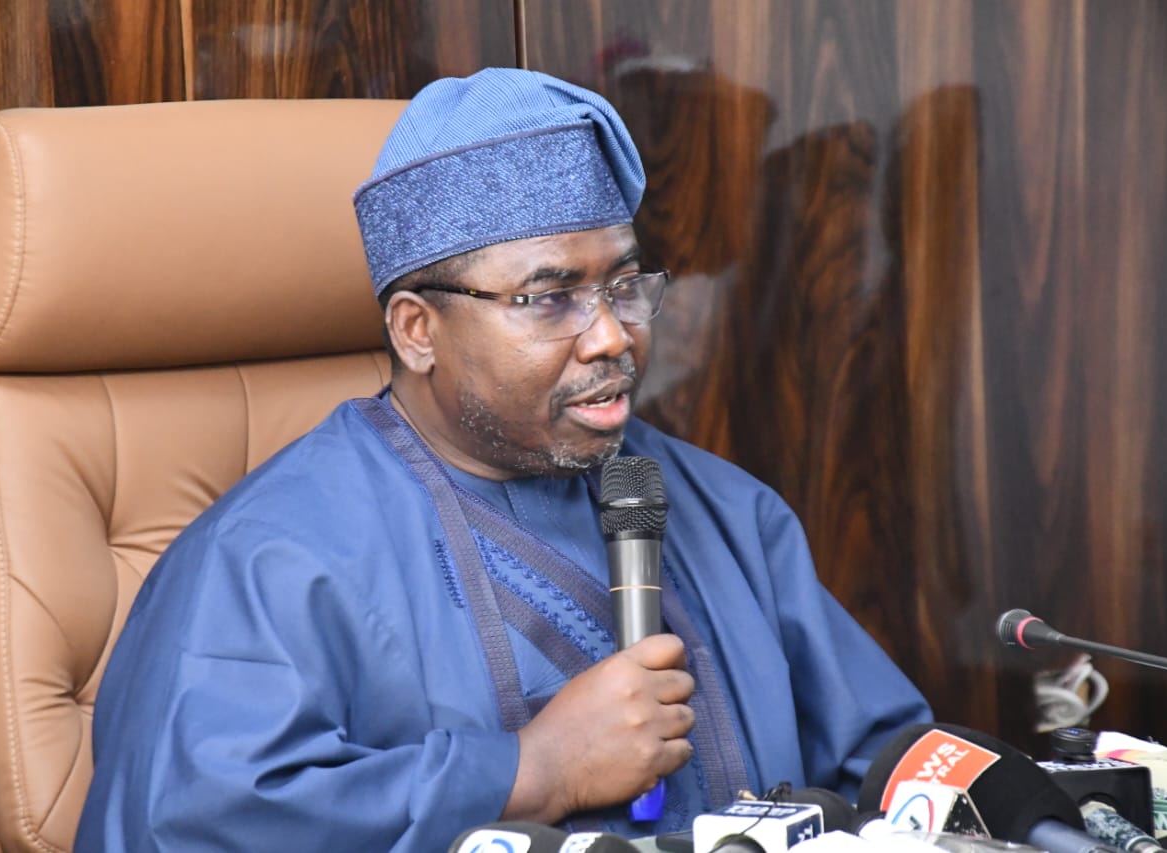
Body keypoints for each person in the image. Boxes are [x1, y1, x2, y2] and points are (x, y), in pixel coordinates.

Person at [76, 68, 930, 852]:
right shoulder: (264, 561)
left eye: (624, 287)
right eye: (551, 298)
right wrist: (531, 770)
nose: (612, 336)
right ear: (418, 330)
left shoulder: (723, 511)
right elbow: (191, 820)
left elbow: (886, 757)